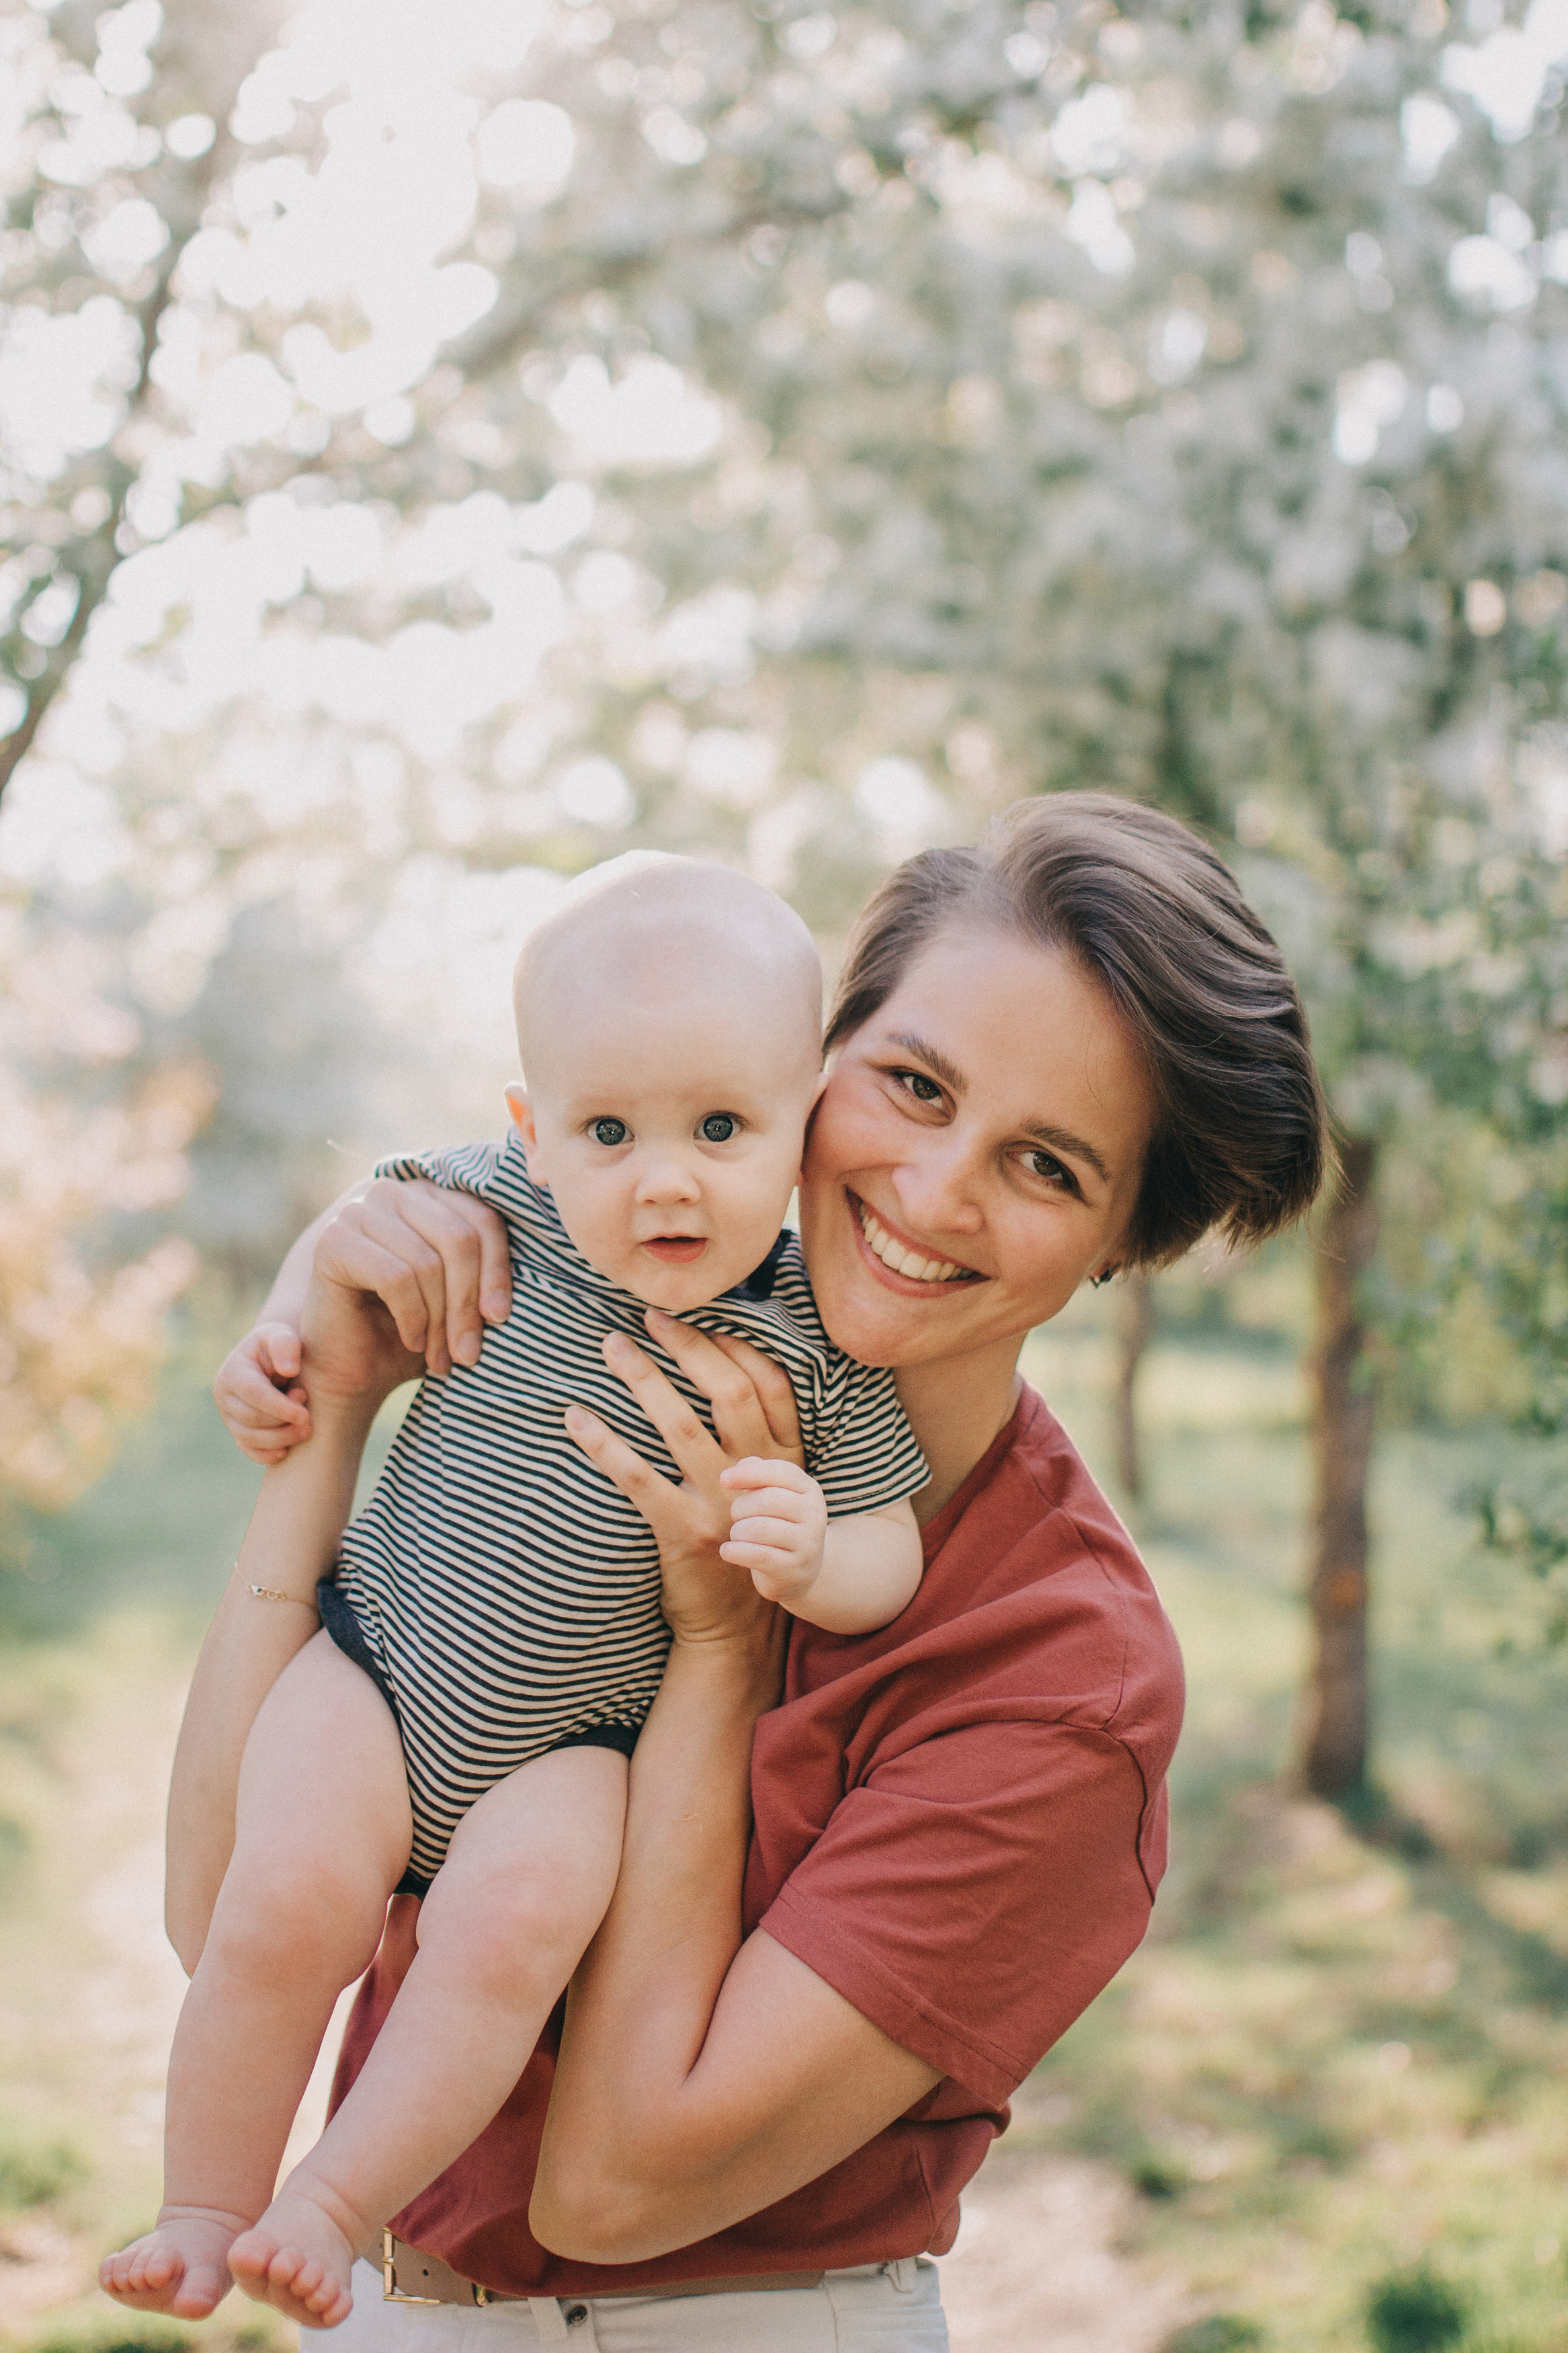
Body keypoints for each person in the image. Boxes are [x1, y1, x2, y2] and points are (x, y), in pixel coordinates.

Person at [157, 795, 1329, 2348]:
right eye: (912, 1085)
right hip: (393, 2304)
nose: (933, 1190)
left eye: (1046, 1164)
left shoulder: (1064, 1681)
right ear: (820, 1063)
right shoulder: (557, 1293)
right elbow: (215, 1912)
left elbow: (613, 2189)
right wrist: (332, 1403)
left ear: (1121, 1238)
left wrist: (715, 1640)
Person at [100, 859, 930, 2329]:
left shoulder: (817, 1335)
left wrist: (817, 1551)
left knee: (510, 1935)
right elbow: (357, 1225)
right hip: (381, 1673)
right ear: (532, 1133)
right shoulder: (507, 1220)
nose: (663, 1175)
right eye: (607, 1130)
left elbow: (891, 1545)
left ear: (804, 1126)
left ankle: (332, 2205)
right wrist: (282, 1330)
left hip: (572, 1757)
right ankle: (206, 2207)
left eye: (722, 1128)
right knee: (284, 1898)